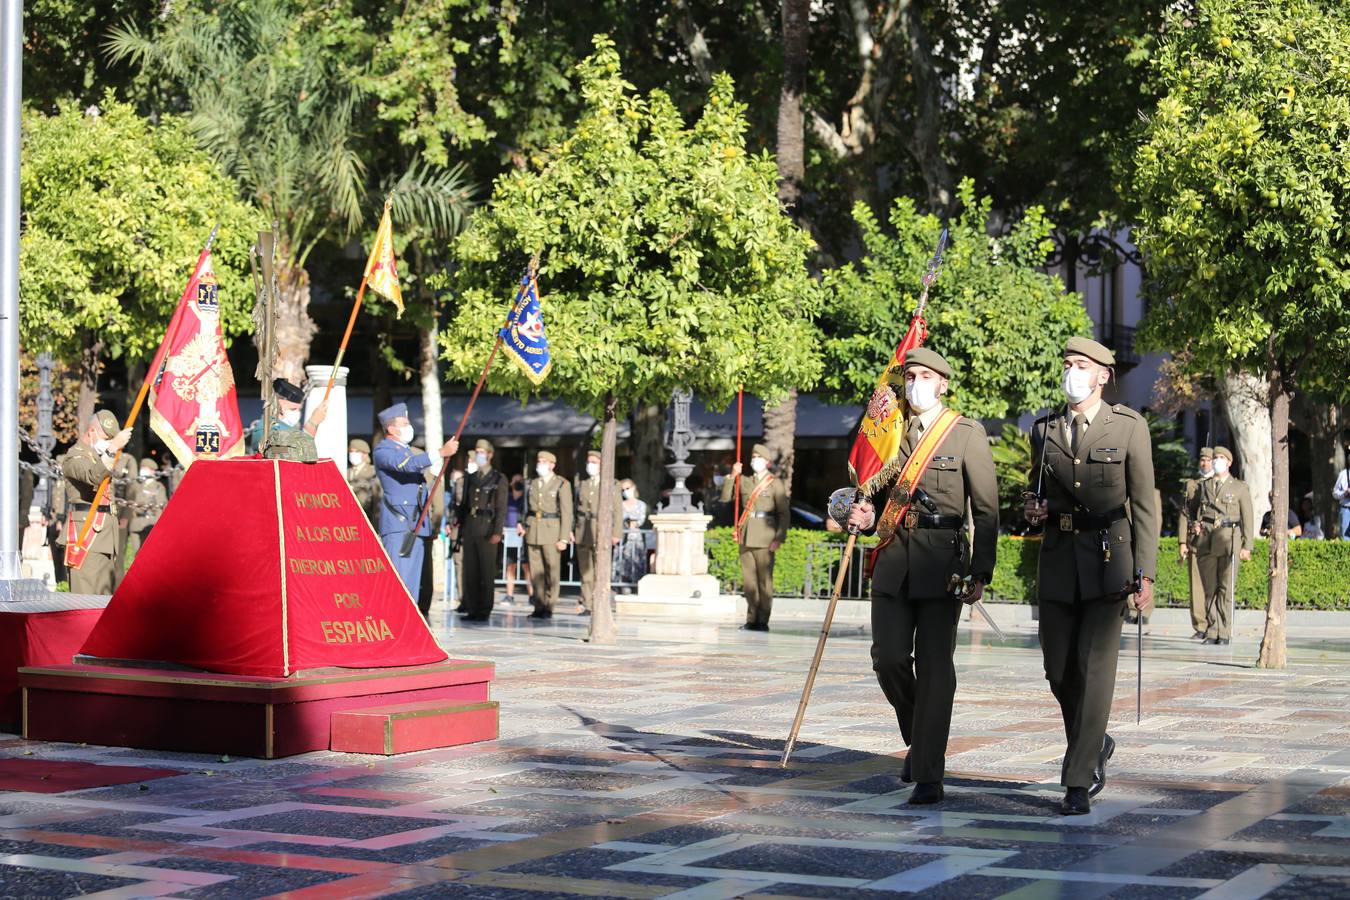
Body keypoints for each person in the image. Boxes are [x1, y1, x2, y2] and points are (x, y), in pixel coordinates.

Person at [845, 347, 998, 806]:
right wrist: (863, 515)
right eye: (910, 375)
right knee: (887, 658)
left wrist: (981, 572)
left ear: (943, 383)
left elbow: (986, 512)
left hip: (941, 564)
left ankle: (929, 769)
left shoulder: (966, 434)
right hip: (893, 559)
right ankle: (921, 737)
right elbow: (875, 499)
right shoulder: (889, 435)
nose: (914, 384)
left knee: (934, 668)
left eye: (925, 376)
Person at [1023, 337, 1157, 816]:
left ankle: (1077, 780)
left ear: (1103, 375)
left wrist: (1146, 574)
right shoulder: (1044, 429)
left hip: (1108, 561)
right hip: (1059, 558)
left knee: (1095, 670)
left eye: (1081, 365)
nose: (1071, 372)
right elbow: (1034, 490)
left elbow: (1144, 505)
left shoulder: (1127, 427)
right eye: (1067, 364)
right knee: (1058, 669)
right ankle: (1096, 741)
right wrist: (1032, 509)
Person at [371, 403, 458, 600]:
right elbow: (406, 465)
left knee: (411, 585)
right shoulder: (384, 450)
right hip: (399, 524)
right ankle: (396, 625)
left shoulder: (407, 450)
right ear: (392, 428)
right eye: (405, 423)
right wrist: (440, 453)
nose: (409, 426)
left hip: (416, 523)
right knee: (399, 584)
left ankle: (408, 624)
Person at [56, 411, 133, 595]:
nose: (107, 443)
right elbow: (93, 476)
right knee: (85, 604)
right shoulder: (74, 456)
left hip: (105, 538)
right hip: (87, 539)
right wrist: (113, 447)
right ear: (92, 432)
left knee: (103, 605)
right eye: (106, 438)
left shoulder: (96, 457)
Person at [1184, 446, 1254, 645]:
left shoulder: (1239, 487)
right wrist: (1194, 524)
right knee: (1210, 589)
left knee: (1226, 589)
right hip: (1206, 541)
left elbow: (1248, 518)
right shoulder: (1204, 485)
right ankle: (1212, 630)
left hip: (1229, 540)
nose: (1216, 461)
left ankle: (1225, 631)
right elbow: (1190, 508)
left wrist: (1247, 546)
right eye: (1215, 458)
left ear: (1229, 462)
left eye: (1221, 458)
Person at [722, 444, 789, 631]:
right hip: (746, 534)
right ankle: (751, 619)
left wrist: (779, 537)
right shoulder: (745, 481)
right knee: (749, 581)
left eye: (758, 458)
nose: (754, 461)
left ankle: (762, 620)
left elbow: (784, 514)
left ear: (766, 462)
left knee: (764, 581)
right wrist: (732, 475)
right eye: (753, 457)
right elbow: (726, 498)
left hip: (765, 536)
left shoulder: (775, 484)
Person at [458, 440, 508, 622]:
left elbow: (501, 508)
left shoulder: (498, 478)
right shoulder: (471, 478)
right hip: (471, 527)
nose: (479, 454)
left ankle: (484, 608)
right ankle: (472, 608)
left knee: (486, 571)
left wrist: (497, 531)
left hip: (487, 528)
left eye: (481, 451)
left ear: (490, 455)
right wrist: (460, 526)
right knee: (470, 571)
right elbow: (464, 505)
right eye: (477, 451)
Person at [518, 450, 572, 619]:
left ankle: (549, 605)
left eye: (544, 461)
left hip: (552, 531)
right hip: (533, 530)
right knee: (536, 571)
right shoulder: (533, 483)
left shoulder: (561, 484)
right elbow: (527, 507)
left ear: (552, 465)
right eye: (539, 461)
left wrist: (563, 537)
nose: (540, 464)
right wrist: (523, 524)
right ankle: (538, 604)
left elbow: (566, 512)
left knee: (551, 570)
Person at [573, 449, 622, 615]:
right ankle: (587, 604)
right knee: (585, 571)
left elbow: (617, 510)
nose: (590, 465)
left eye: (594, 462)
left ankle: (601, 604)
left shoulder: (612, 484)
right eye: (589, 462)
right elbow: (576, 509)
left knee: (600, 569)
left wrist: (616, 533)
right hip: (583, 530)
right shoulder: (584, 484)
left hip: (601, 529)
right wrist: (573, 530)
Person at [1177, 448, 1215, 639]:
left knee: (1215, 585)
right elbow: (1185, 513)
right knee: (1197, 585)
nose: (1205, 463)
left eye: (1208, 460)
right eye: (1202, 459)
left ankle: (1216, 624)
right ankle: (1201, 625)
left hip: (1215, 541)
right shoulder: (1192, 485)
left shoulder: (1220, 483)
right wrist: (1182, 541)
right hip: (1195, 541)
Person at [259, 379, 327, 462]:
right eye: (293, 409)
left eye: (299, 409)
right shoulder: (264, 429)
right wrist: (311, 424)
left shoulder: (289, 428)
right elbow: (280, 452)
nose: (297, 413)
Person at [126, 458, 166, 559]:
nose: (142, 470)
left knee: (152, 556)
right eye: (142, 467)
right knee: (137, 556)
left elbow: (161, 505)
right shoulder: (136, 485)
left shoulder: (159, 487)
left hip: (153, 524)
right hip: (137, 523)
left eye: (145, 468)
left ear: (152, 470)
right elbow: (131, 503)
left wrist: (159, 525)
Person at [616, 479, 649, 586]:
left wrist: (632, 524)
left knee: (636, 562)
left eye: (627, 488)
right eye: (623, 489)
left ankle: (635, 584)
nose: (625, 491)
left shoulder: (641, 505)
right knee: (620, 562)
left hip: (636, 538)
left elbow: (640, 520)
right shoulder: (619, 505)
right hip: (622, 538)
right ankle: (621, 584)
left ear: (633, 488)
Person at [504, 474, 530, 603]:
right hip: (509, 536)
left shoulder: (526, 498)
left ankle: (532, 595)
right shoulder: (507, 498)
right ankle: (509, 595)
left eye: (520, 481)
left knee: (527, 566)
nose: (518, 483)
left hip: (523, 535)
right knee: (510, 565)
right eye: (515, 480)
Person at [347, 438, 381, 526]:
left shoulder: (373, 472)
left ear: (365, 454)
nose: (352, 454)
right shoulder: (346, 473)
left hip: (367, 518)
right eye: (351, 451)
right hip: (350, 520)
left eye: (357, 451)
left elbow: (377, 500)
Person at [1334, 430, 1350, 539]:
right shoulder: (1344, 474)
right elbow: (1335, 493)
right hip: (1346, 509)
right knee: (1345, 537)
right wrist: (1345, 493)